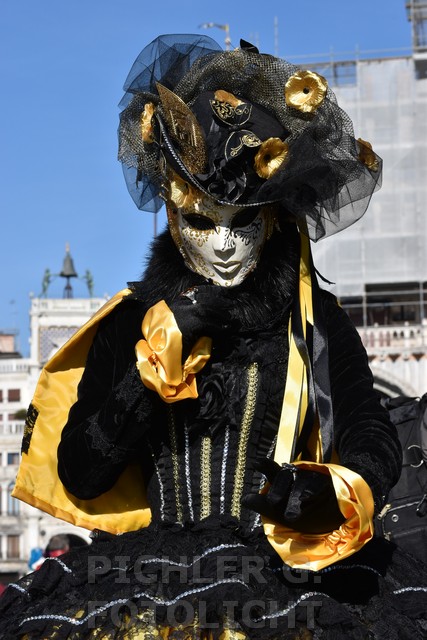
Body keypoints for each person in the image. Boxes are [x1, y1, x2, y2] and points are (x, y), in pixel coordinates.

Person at [1, 33, 426, 639]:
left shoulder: (313, 317)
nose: (224, 244)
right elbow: (81, 473)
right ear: (174, 214)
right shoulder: (130, 322)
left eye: (243, 221)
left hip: (289, 578)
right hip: (152, 579)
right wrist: (150, 373)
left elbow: (368, 424)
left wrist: (336, 489)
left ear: (272, 218)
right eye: (203, 220)